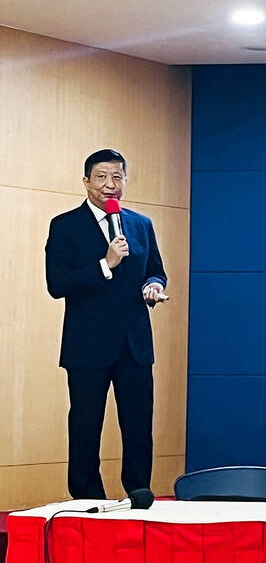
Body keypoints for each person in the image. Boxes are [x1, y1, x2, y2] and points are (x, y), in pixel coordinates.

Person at [45, 149, 168, 499]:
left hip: (135, 344)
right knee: (86, 426)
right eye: (101, 177)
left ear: (125, 181)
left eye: (117, 177)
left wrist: (153, 286)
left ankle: (139, 493)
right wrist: (105, 264)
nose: (109, 184)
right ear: (86, 182)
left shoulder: (141, 224)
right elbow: (57, 284)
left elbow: (155, 270)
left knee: (139, 427)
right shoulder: (65, 225)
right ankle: (88, 497)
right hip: (87, 345)